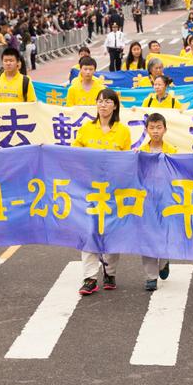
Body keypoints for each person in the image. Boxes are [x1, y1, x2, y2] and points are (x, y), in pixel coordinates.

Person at [72, 89, 132, 295]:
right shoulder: (86, 129)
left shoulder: (123, 131)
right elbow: (72, 155)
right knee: (89, 232)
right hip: (90, 191)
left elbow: (127, 162)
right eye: (100, 101)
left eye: (107, 101)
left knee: (112, 233)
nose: (103, 105)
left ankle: (110, 272)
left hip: (114, 193)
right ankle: (89, 278)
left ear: (115, 106)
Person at [137, 113, 175, 291]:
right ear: (146, 130)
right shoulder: (140, 152)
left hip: (167, 199)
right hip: (146, 201)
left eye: (159, 127)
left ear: (165, 129)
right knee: (147, 237)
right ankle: (150, 276)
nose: (155, 131)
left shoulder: (172, 151)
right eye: (151, 128)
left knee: (165, 233)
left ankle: (164, 259)